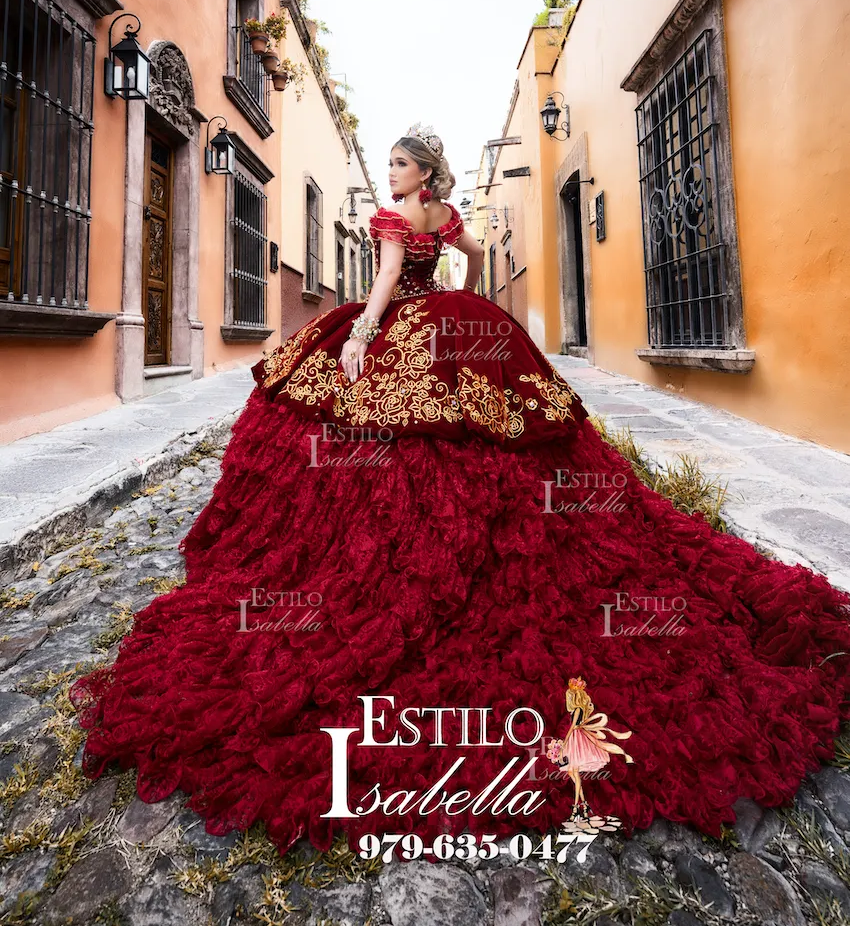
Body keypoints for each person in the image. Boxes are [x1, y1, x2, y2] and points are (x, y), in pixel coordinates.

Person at [69, 122, 850, 859]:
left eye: (401, 164)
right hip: (454, 325)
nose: (391, 173)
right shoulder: (443, 219)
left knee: (380, 440)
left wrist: (365, 338)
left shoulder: (389, 220)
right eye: (391, 166)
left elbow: (377, 288)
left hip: (404, 329)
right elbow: (473, 263)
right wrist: (462, 300)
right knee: (482, 437)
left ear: (424, 172)